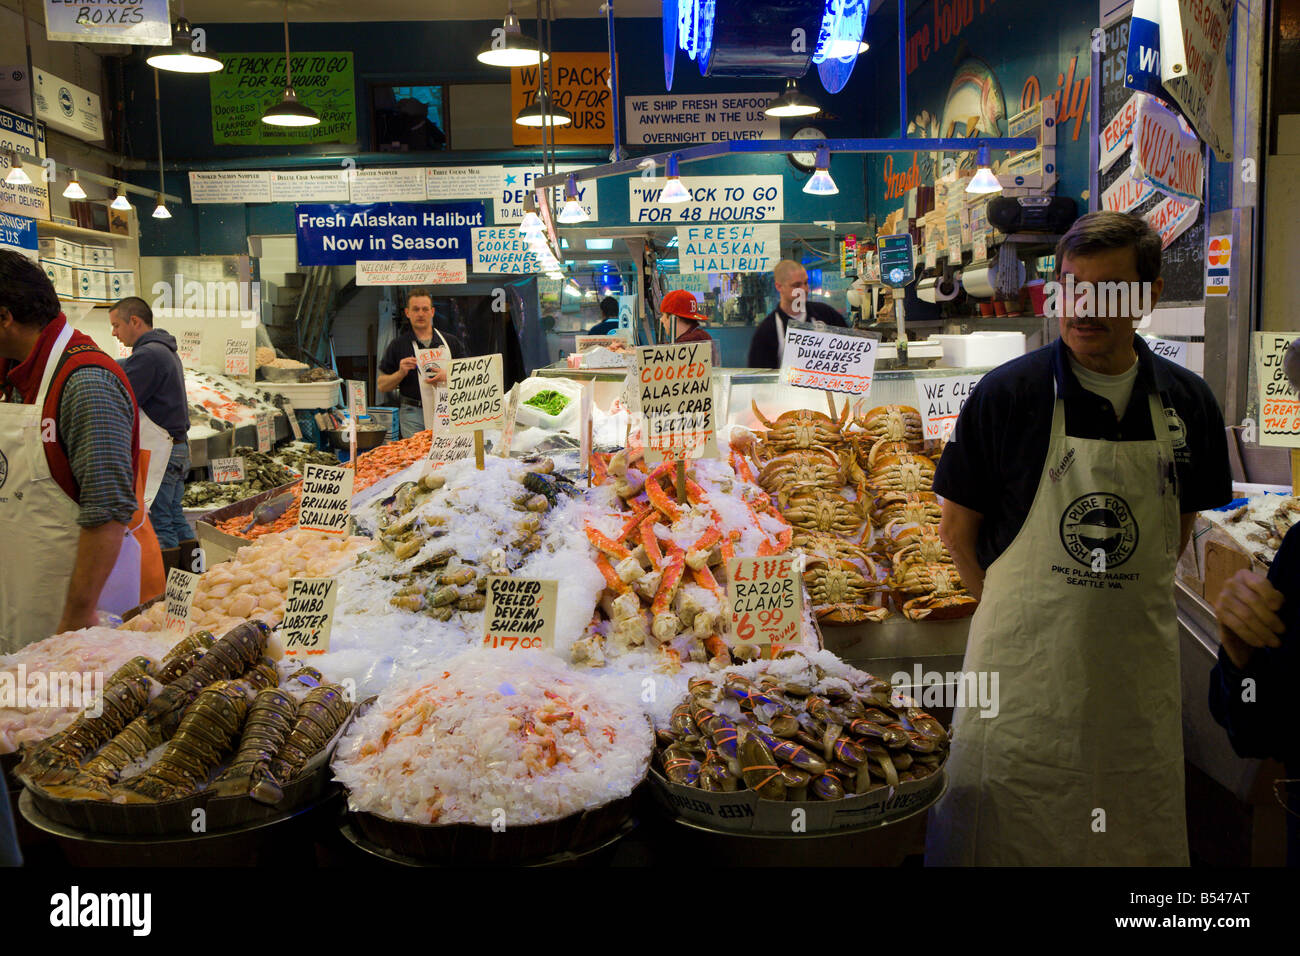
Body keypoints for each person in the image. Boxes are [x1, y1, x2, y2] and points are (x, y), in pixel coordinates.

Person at [924, 211, 1232, 865]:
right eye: (1073, 287)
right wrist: (1022, 614)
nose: (1085, 307)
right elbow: (955, 533)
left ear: (1146, 297)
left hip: (1132, 692)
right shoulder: (1008, 395)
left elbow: (1175, 534)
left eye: (1109, 289)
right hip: (1021, 692)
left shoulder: (1190, 403)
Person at [0, 251, 165, 651]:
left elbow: (107, 509)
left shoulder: (85, 381)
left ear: (4, 317)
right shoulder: (16, 373)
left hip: (75, 617)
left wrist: (76, 616)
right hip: (21, 594)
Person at [110, 296, 193, 566]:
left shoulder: (148, 355)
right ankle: (193, 581)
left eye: (116, 325)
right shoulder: (163, 350)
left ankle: (168, 594)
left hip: (164, 451)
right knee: (175, 517)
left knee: (160, 522)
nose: (114, 333)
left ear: (134, 321)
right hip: (178, 448)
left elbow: (124, 397)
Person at [377, 287, 466, 439]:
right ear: (407, 312)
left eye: (425, 309)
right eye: (416, 309)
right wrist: (400, 373)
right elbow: (382, 385)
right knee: (417, 459)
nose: (420, 314)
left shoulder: (451, 342)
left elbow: (469, 375)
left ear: (432, 312)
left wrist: (449, 375)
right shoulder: (398, 345)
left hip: (447, 410)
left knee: (446, 457)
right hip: (413, 414)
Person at [746, 259, 847, 367]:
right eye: (796, 285)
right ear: (779, 287)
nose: (804, 289)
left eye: (805, 283)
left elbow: (850, 351)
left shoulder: (826, 315)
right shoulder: (767, 330)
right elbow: (761, 379)